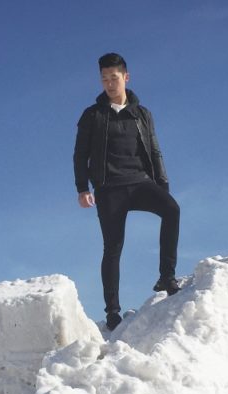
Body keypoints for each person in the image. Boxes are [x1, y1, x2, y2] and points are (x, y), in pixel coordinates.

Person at [73, 52, 181, 331]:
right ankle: (112, 311)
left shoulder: (142, 114)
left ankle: (166, 277)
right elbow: (79, 154)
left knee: (172, 210)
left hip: (140, 181)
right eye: (104, 79)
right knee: (113, 247)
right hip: (109, 188)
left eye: (114, 78)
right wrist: (82, 188)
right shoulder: (93, 115)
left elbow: (154, 150)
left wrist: (163, 185)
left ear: (126, 77)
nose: (109, 83)